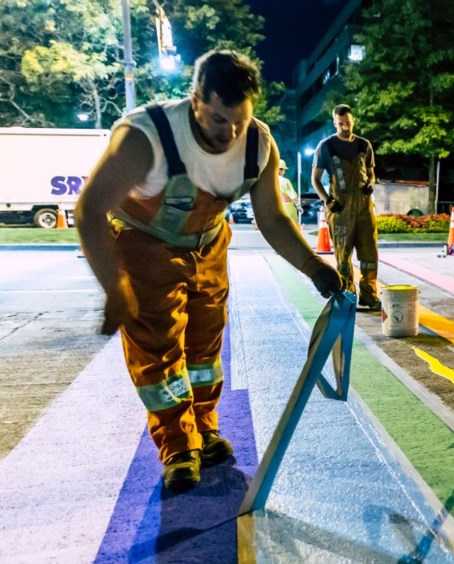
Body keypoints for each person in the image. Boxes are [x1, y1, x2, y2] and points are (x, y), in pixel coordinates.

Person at [76, 50, 342, 493]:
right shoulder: (148, 136)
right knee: (159, 350)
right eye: (220, 120)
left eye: (239, 121)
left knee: (204, 348)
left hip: (208, 246)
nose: (230, 133)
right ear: (197, 100)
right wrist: (115, 288)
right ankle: (178, 447)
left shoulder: (257, 143)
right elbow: (89, 210)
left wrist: (314, 268)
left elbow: (272, 218)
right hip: (144, 245)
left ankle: (204, 428)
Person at [311, 104, 381, 311]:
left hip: (364, 207)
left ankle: (369, 295)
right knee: (343, 257)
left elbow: (371, 172)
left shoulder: (364, 145)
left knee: (370, 255)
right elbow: (316, 179)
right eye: (341, 124)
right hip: (340, 209)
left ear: (353, 122)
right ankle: (348, 296)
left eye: (348, 123)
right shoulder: (326, 146)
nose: (345, 127)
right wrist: (328, 200)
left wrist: (371, 183)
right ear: (335, 123)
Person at [277, 158, 300, 224]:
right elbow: (293, 197)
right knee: (291, 229)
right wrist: (298, 206)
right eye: (284, 170)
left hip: (275, 209)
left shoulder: (270, 181)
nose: (284, 172)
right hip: (287, 208)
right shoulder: (285, 181)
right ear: (280, 170)